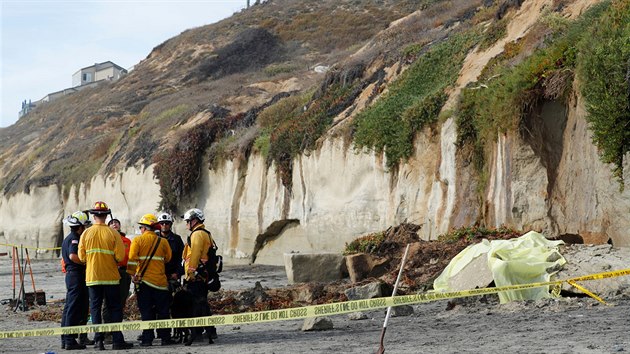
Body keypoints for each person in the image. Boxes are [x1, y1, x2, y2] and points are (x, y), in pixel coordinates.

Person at [78, 201, 133, 350]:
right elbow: (120, 256)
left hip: (93, 277)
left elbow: (81, 257)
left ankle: (98, 341)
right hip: (111, 277)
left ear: (94, 215)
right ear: (106, 215)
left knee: (95, 309)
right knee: (114, 308)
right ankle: (116, 340)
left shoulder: (85, 233)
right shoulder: (114, 233)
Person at [128, 213, 177, 346]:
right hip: (161, 282)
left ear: (144, 228)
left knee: (146, 311)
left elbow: (132, 259)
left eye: (141, 227)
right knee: (163, 311)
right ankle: (165, 338)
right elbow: (168, 258)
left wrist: (133, 275)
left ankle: (147, 339)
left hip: (144, 282)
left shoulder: (137, 241)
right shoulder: (163, 241)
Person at [182, 208, 217, 342]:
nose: (186, 224)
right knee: (202, 304)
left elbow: (195, 253)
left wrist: (190, 272)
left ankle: (197, 332)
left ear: (194, 220)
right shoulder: (206, 233)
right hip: (203, 275)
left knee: (195, 305)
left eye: (187, 221)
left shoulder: (196, 234)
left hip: (196, 276)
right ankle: (210, 330)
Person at [60, 211, 91, 350]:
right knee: (73, 307)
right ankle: (70, 340)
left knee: (69, 307)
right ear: (80, 227)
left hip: (72, 275)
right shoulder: (74, 238)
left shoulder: (68, 237)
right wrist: (86, 262)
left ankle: (65, 338)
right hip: (76, 275)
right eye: (84, 225)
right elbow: (73, 256)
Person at [102, 218, 132, 344]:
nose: (114, 224)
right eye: (111, 223)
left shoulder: (126, 241)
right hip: (110, 272)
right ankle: (107, 334)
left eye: (116, 222)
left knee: (120, 303)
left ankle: (117, 333)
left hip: (124, 273)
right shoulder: (106, 238)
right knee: (107, 304)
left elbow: (131, 257)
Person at [157, 212, 185, 290]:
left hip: (173, 276)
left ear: (170, 225)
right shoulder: (155, 239)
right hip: (157, 276)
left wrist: (178, 273)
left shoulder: (177, 239)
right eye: (162, 223)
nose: (164, 225)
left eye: (167, 223)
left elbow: (182, 258)